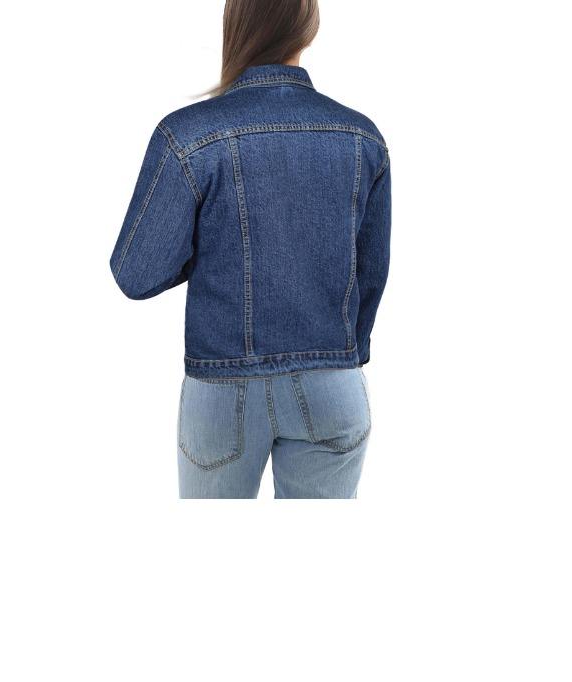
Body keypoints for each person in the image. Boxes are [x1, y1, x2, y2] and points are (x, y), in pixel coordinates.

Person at [110, 0, 391, 498]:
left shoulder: (188, 134)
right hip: (333, 384)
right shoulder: (362, 136)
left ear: (234, 26)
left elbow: (136, 273)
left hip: (223, 389)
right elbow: (370, 275)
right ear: (309, 29)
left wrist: (210, 243)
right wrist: (343, 353)